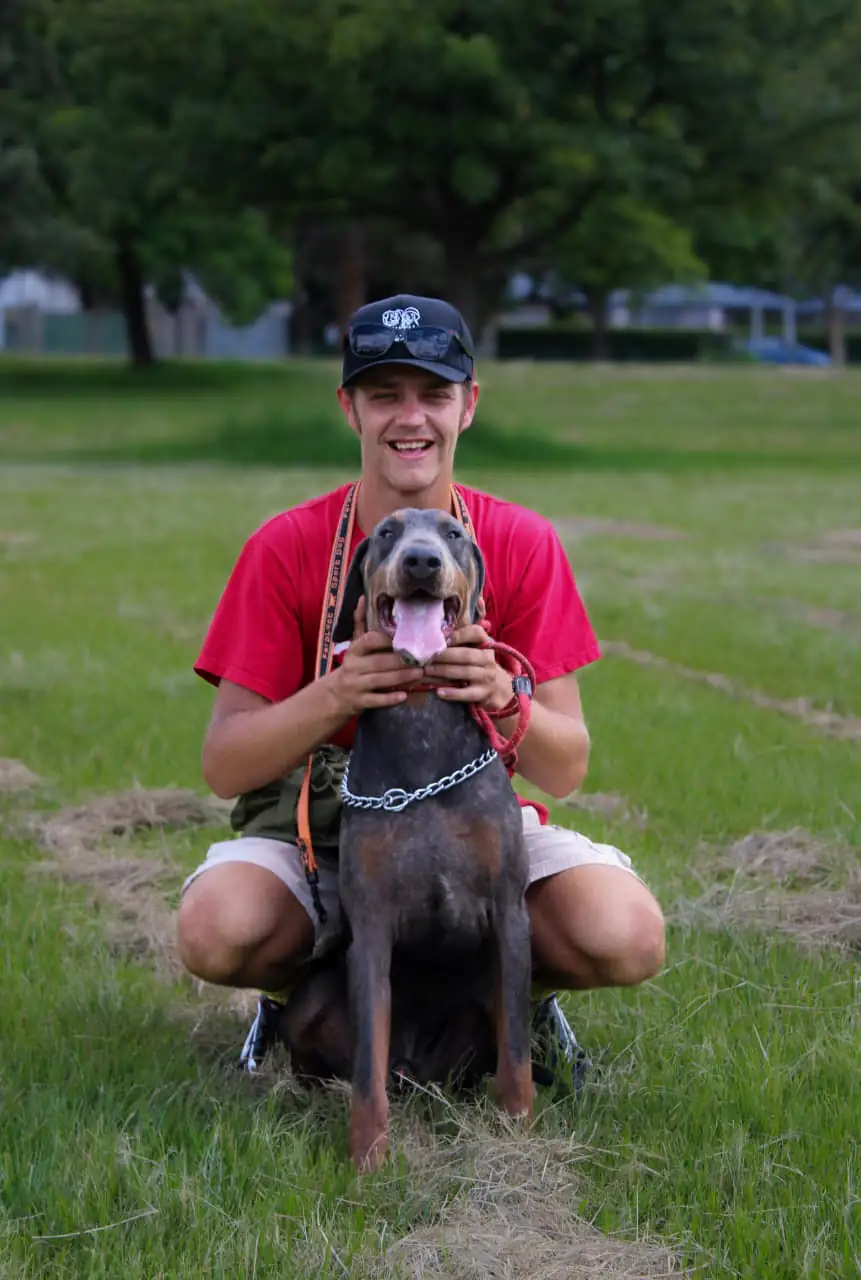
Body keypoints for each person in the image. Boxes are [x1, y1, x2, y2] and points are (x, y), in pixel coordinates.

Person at [177, 293, 666, 1080]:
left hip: (469, 835)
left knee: (624, 934)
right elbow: (226, 765)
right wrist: (337, 695)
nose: (411, 418)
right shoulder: (285, 546)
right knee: (217, 929)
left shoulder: (519, 542)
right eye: (384, 396)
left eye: (434, 394)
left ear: (467, 405)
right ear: (350, 409)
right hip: (321, 832)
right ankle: (305, 999)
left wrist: (502, 695)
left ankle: (508, 1001)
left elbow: (566, 766)